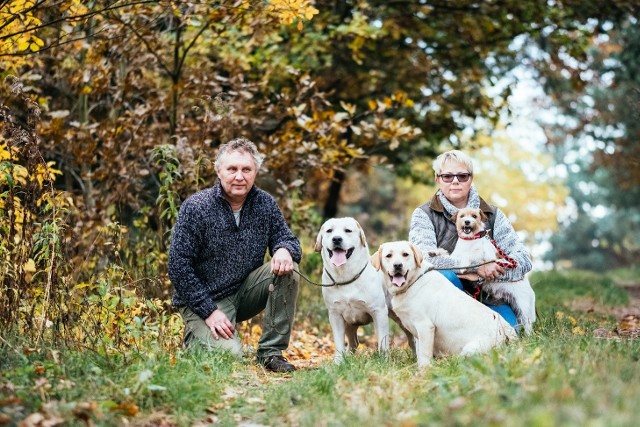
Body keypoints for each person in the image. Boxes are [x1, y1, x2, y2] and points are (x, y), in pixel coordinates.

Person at [168, 137, 302, 373]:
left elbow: (290, 241)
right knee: (231, 359)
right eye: (232, 169)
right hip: (204, 300)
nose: (239, 176)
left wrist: (283, 249)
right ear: (219, 171)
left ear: (255, 172)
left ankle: (270, 353)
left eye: (246, 169)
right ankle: (196, 339)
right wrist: (209, 311)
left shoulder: (265, 205)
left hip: (245, 292)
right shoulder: (197, 207)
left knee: (290, 269)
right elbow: (178, 266)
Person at [408, 150, 532, 332]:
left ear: (471, 178)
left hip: (489, 297)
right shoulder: (424, 214)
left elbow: (523, 259)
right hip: (447, 300)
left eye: (462, 176)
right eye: (447, 176)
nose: (455, 181)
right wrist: (475, 267)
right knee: (445, 276)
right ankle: (441, 333)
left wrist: (491, 269)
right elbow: (422, 259)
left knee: (510, 333)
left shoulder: (492, 214)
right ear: (437, 179)